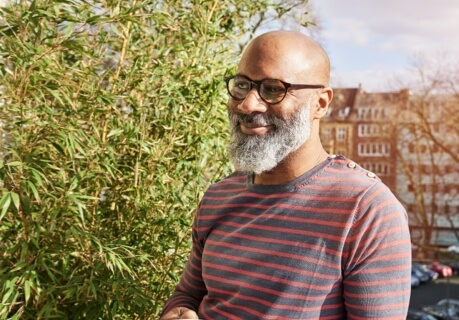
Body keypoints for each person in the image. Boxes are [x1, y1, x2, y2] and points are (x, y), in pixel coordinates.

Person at [160, 30, 411, 320]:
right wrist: (179, 312)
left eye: (273, 89)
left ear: (321, 103)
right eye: (242, 85)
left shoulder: (366, 210)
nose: (247, 104)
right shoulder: (218, 196)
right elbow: (189, 294)